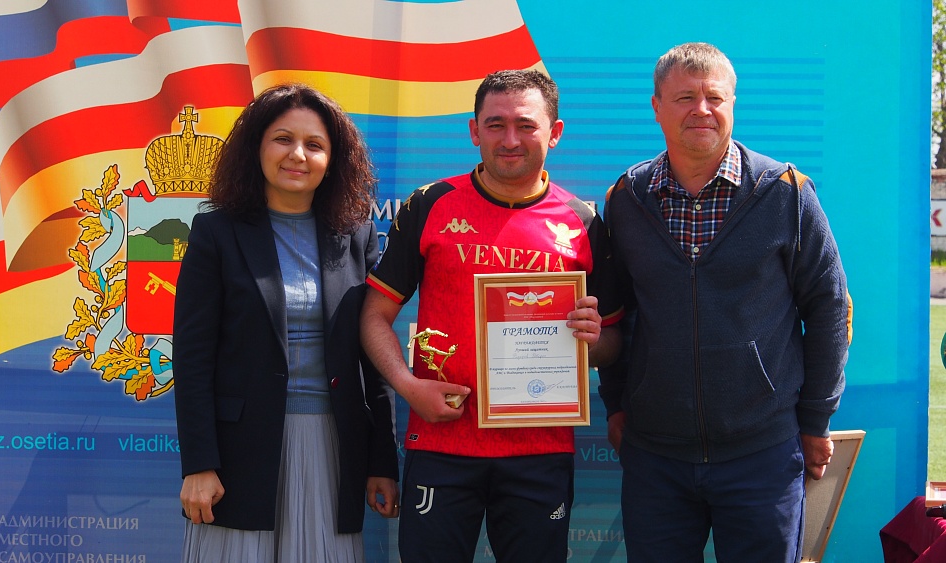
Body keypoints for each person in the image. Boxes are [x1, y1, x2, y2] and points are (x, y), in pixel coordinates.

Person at [600, 42, 852, 562]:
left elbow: (829, 307)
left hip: (763, 454)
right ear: (656, 106)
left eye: (714, 97)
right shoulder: (626, 199)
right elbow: (614, 314)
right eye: (685, 98)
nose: (702, 110)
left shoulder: (786, 192)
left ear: (733, 103)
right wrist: (618, 403)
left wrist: (815, 420)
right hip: (655, 457)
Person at [361, 69, 623, 562]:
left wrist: (593, 340)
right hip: (441, 443)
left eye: (526, 125)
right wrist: (408, 386)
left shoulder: (584, 222)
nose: (510, 140)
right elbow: (375, 315)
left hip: (540, 451)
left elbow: (613, 343)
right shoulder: (430, 205)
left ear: (555, 132)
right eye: (495, 124)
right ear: (473, 130)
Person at [173, 83, 400, 563]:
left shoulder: (356, 237)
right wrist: (199, 464)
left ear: (332, 161)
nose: (298, 154)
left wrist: (383, 460)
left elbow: (373, 357)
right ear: (256, 147)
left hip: (332, 448)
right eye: (282, 139)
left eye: (314, 145)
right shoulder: (216, 232)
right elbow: (192, 359)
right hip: (239, 456)